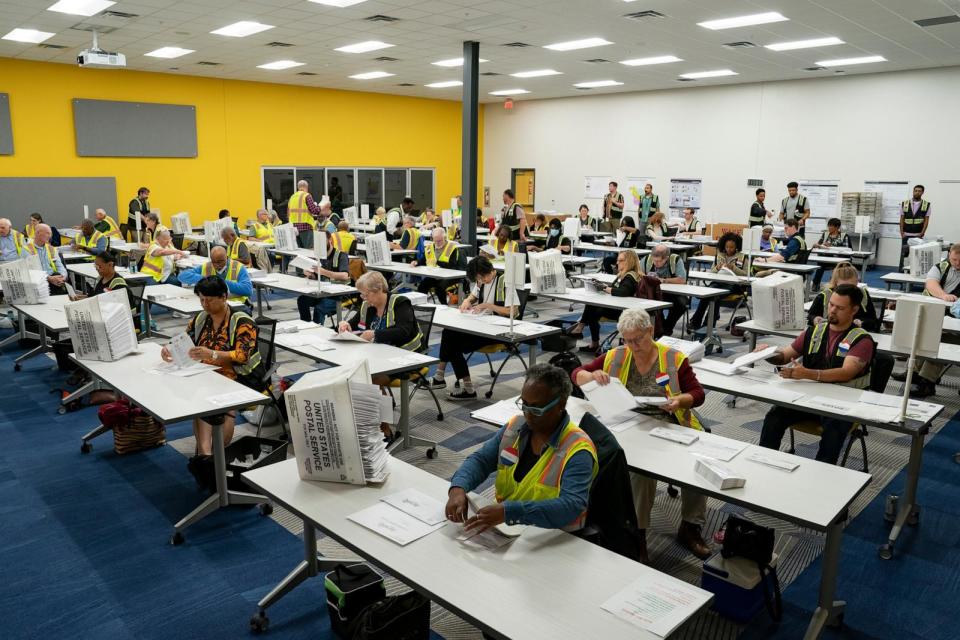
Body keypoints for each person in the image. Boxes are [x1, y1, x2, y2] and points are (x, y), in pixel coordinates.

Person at [572, 308, 709, 561]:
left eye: (638, 339)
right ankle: (638, 533)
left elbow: (698, 393)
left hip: (670, 422)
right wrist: (591, 375)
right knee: (637, 473)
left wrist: (680, 401)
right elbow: (576, 374)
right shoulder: (616, 355)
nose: (633, 345)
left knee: (698, 465)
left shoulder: (673, 358)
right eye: (627, 340)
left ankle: (690, 525)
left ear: (650, 331)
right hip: (630, 424)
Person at [445, 364, 598, 533]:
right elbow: (481, 460)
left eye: (537, 408)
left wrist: (510, 512)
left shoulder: (578, 449)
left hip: (554, 537)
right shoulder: (515, 427)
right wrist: (458, 488)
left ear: (561, 404)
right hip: (510, 529)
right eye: (524, 404)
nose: (528, 414)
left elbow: (571, 505)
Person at [756, 284, 875, 464]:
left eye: (840, 308)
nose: (832, 310)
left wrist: (807, 374)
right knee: (775, 416)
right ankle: (763, 462)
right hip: (810, 399)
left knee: (834, 429)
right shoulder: (814, 331)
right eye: (831, 305)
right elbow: (784, 356)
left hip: (842, 404)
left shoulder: (862, 340)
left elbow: (846, 373)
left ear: (854, 310)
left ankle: (821, 476)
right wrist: (768, 354)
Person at [161, 276, 264, 458]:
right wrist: (169, 348)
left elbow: (242, 356)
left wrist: (212, 354)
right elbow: (184, 340)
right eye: (201, 299)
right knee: (200, 399)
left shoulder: (242, 322)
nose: (204, 304)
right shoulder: (201, 318)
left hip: (239, 375)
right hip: (207, 372)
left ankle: (211, 453)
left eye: (209, 300)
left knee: (218, 400)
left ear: (224, 297)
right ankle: (206, 455)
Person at [337, 271, 423, 439]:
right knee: (355, 376)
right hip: (379, 357)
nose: (364, 298)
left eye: (366, 294)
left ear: (379, 290)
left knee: (369, 380)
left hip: (405, 358)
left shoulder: (400, 303)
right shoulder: (367, 306)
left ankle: (384, 430)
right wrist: (344, 325)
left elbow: (403, 332)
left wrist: (375, 334)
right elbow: (354, 325)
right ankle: (366, 422)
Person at [430, 256, 519, 399]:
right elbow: (473, 295)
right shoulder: (481, 281)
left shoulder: (505, 282)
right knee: (449, 332)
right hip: (481, 326)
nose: (481, 282)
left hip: (497, 332)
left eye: (482, 279)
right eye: (479, 279)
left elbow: (513, 311)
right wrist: (466, 301)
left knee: (452, 343)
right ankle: (447, 380)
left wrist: (487, 305)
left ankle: (453, 382)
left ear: (489, 271)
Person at [54, 250, 139, 380]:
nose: (97, 269)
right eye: (95, 266)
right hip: (100, 319)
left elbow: (117, 311)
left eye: (99, 266)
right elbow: (94, 297)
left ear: (110, 265)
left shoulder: (118, 285)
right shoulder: (100, 279)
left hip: (117, 325)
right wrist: (80, 298)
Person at [895, 243, 960, 398]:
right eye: (954, 259)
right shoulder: (939, 267)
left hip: (955, 322)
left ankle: (927, 383)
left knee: (940, 340)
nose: (957, 263)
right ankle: (914, 373)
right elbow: (931, 284)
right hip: (937, 313)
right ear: (949, 254)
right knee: (922, 332)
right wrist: (943, 296)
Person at [569, 250, 642, 354]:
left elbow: (623, 292)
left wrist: (605, 288)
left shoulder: (630, 276)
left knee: (592, 310)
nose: (617, 263)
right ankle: (582, 328)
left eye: (620, 260)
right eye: (618, 260)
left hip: (623, 311)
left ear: (629, 261)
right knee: (591, 305)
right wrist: (603, 287)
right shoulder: (624, 274)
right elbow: (615, 289)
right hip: (618, 306)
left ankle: (585, 332)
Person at [688, 232, 747, 332]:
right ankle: (703, 322)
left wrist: (734, 268)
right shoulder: (719, 255)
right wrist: (717, 267)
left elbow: (746, 274)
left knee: (714, 296)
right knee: (708, 294)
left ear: (737, 246)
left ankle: (704, 322)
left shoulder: (742, 256)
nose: (729, 249)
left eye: (732, 247)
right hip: (718, 281)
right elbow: (712, 272)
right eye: (727, 247)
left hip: (734, 285)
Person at [296, 230, 351, 325]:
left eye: (322, 242)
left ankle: (317, 331)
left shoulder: (341, 255)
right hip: (322, 292)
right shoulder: (319, 256)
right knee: (302, 300)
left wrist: (323, 272)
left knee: (319, 308)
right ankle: (306, 326)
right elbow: (317, 276)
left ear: (330, 240)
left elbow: (344, 276)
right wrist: (310, 274)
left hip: (337, 296)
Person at [808, 262, 879, 332]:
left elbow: (873, 321)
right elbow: (811, 315)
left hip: (857, 335)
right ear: (836, 283)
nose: (847, 291)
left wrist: (862, 323)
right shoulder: (824, 296)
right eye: (842, 287)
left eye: (852, 287)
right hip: (830, 334)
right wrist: (815, 319)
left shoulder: (863, 295)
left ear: (857, 282)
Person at [178, 246, 253, 305]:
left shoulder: (238, 267)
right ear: (211, 260)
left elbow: (248, 290)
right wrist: (207, 279)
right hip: (213, 305)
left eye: (220, 261)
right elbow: (182, 276)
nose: (217, 265)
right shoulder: (207, 266)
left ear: (227, 258)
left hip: (236, 305)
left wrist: (220, 282)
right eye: (214, 262)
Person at [640, 244, 687, 335]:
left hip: (673, 293)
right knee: (652, 304)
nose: (655, 263)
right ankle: (660, 328)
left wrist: (663, 280)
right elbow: (639, 274)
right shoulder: (646, 260)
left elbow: (682, 280)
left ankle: (667, 328)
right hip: (653, 293)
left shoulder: (675, 260)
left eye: (659, 261)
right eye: (654, 260)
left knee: (682, 304)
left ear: (666, 258)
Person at [411, 227, 461, 305]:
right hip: (434, 275)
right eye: (435, 240)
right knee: (422, 286)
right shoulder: (429, 247)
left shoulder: (451, 248)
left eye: (440, 240)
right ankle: (422, 305)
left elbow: (452, 266)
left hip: (449, 275)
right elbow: (423, 260)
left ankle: (444, 306)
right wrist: (416, 262)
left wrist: (438, 262)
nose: (437, 243)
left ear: (444, 237)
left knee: (440, 287)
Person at [25, 223, 67, 295]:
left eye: (50, 234)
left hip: (54, 280)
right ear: (38, 233)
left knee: (58, 277)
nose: (50, 236)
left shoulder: (51, 249)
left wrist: (62, 277)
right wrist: (49, 278)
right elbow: (31, 271)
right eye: (47, 233)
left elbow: (60, 266)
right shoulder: (26, 249)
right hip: (38, 282)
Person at [811, 218, 852, 288]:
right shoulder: (825, 234)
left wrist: (831, 247)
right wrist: (818, 245)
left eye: (831, 226)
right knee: (820, 266)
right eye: (828, 226)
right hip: (826, 258)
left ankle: (832, 285)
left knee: (836, 269)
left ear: (837, 227)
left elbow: (846, 250)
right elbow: (819, 244)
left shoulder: (844, 236)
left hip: (839, 259)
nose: (829, 228)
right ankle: (815, 284)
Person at [899, 184, 931, 271]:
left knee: (917, 256)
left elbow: (926, 220)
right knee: (904, 255)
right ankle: (901, 273)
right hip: (906, 234)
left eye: (919, 191)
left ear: (922, 193)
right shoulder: (904, 204)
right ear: (913, 191)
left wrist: (922, 233)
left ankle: (914, 272)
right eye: (915, 190)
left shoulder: (926, 205)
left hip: (918, 235)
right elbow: (902, 219)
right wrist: (901, 232)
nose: (917, 192)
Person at [287, 179, 322, 249]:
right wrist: (320, 207)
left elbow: (288, 213)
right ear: (306, 187)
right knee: (309, 250)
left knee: (299, 251)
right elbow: (314, 210)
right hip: (306, 227)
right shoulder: (306, 195)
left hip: (294, 228)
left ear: (298, 187)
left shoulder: (292, 197)